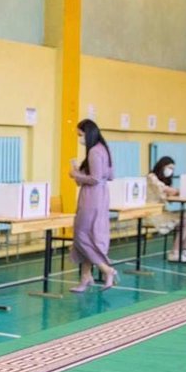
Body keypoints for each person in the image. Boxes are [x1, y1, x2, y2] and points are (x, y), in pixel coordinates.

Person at [68, 118, 118, 291]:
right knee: (90, 236)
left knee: (81, 235)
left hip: (91, 198)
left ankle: (106, 269)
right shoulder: (105, 149)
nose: (79, 138)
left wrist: (75, 174)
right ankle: (85, 277)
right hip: (102, 197)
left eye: (80, 134)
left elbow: (95, 178)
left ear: (87, 133)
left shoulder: (94, 152)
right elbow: (109, 176)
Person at [146, 156, 186, 263]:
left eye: (173, 169)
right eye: (169, 167)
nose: (171, 171)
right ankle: (174, 252)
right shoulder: (151, 176)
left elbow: (169, 196)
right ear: (162, 166)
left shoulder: (165, 180)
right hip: (152, 213)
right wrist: (181, 190)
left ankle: (182, 250)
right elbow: (165, 189)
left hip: (162, 211)